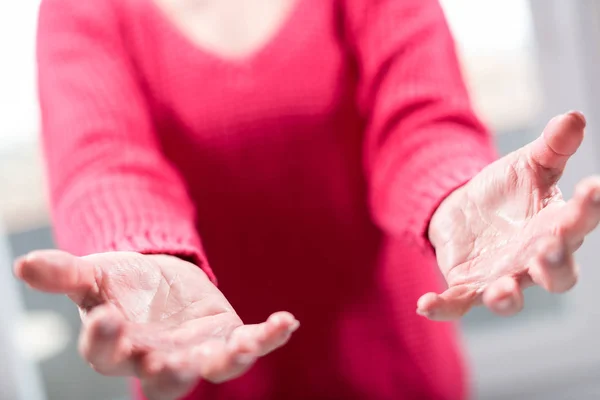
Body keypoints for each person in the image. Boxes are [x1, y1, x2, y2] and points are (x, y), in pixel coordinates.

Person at [14, 0, 600, 399]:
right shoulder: (80, 11)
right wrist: (138, 256)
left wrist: (453, 192)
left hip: (394, 368)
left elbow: (418, 117)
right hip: (198, 367)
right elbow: (104, 161)